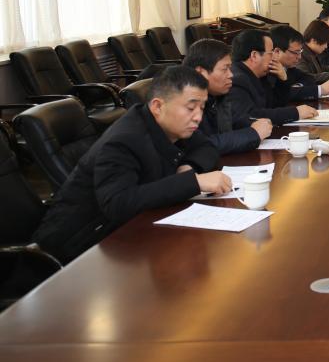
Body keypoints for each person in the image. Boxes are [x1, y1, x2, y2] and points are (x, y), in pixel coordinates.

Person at [32, 66, 231, 263]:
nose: (198, 117)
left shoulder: (171, 125)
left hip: (130, 233)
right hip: (78, 249)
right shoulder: (123, 141)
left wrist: (189, 168)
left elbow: (207, 147)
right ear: (158, 106)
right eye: (190, 108)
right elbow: (118, 203)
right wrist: (193, 182)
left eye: (202, 108)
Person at [183, 39, 272, 154]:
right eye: (225, 69)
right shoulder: (184, 101)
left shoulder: (217, 96)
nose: (231, 75)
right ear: (201, 72)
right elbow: (203, 145)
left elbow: (234, 121)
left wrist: (255, 124)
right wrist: (253, 133)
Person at [225, 29, 316, 126]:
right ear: (254, 56)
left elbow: (274, 105)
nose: (274, 57)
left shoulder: (260, 75)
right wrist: (295, 113)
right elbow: (250, 116)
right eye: (271, 53)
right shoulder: (237, 79)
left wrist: (283, 80)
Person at [269, 24, 329, 101]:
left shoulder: (289, 67)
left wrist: (296, 87)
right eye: (296, 52)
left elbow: (309, 79)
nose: (299, 57)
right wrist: (320, 90)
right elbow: (282, 95)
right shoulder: (269, 70)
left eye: (300, 52)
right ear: (277, 51)